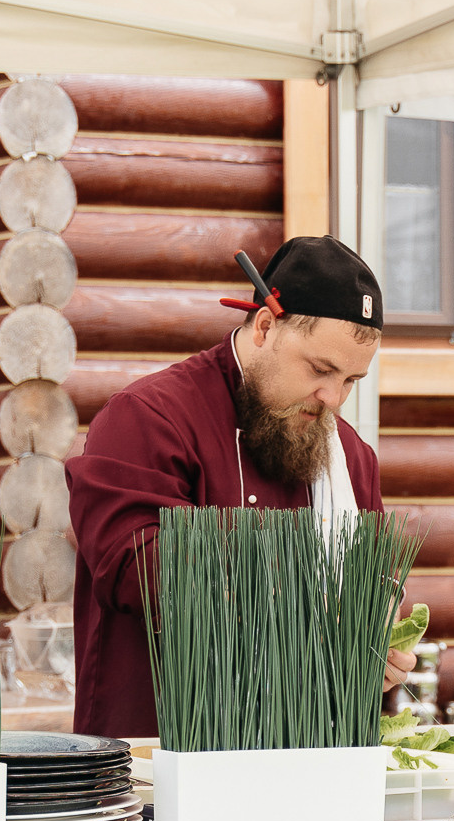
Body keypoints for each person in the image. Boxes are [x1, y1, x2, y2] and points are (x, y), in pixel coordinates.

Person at [67, 236, 415, 739]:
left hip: (308, 751)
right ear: (266, 327)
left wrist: (379, 640)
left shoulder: (351, 457)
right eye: (320, 369)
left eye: (350, 380)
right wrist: (292, 576)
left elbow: (375, 581)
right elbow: (128, 567)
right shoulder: (148, 418)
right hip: (161, 751)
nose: (333, 398)